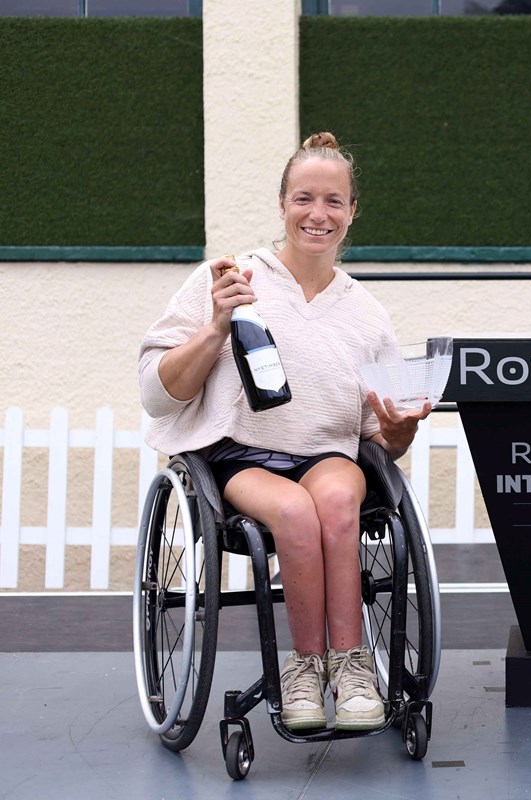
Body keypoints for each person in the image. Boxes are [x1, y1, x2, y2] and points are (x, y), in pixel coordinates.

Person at [139, 132, 430, 732]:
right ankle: (304, 667)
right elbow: (156, 388)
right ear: (282, 205)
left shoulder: (367, 313)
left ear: (352, 212)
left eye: (332, 201)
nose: (317, 214)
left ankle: (352, 671)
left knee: (339, 499)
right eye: (303, 199)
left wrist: (401, 430)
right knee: (295, 513)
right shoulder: (230, 278)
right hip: (239, 459)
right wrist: (217, 325)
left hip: (328, 454)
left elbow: (382, 437)